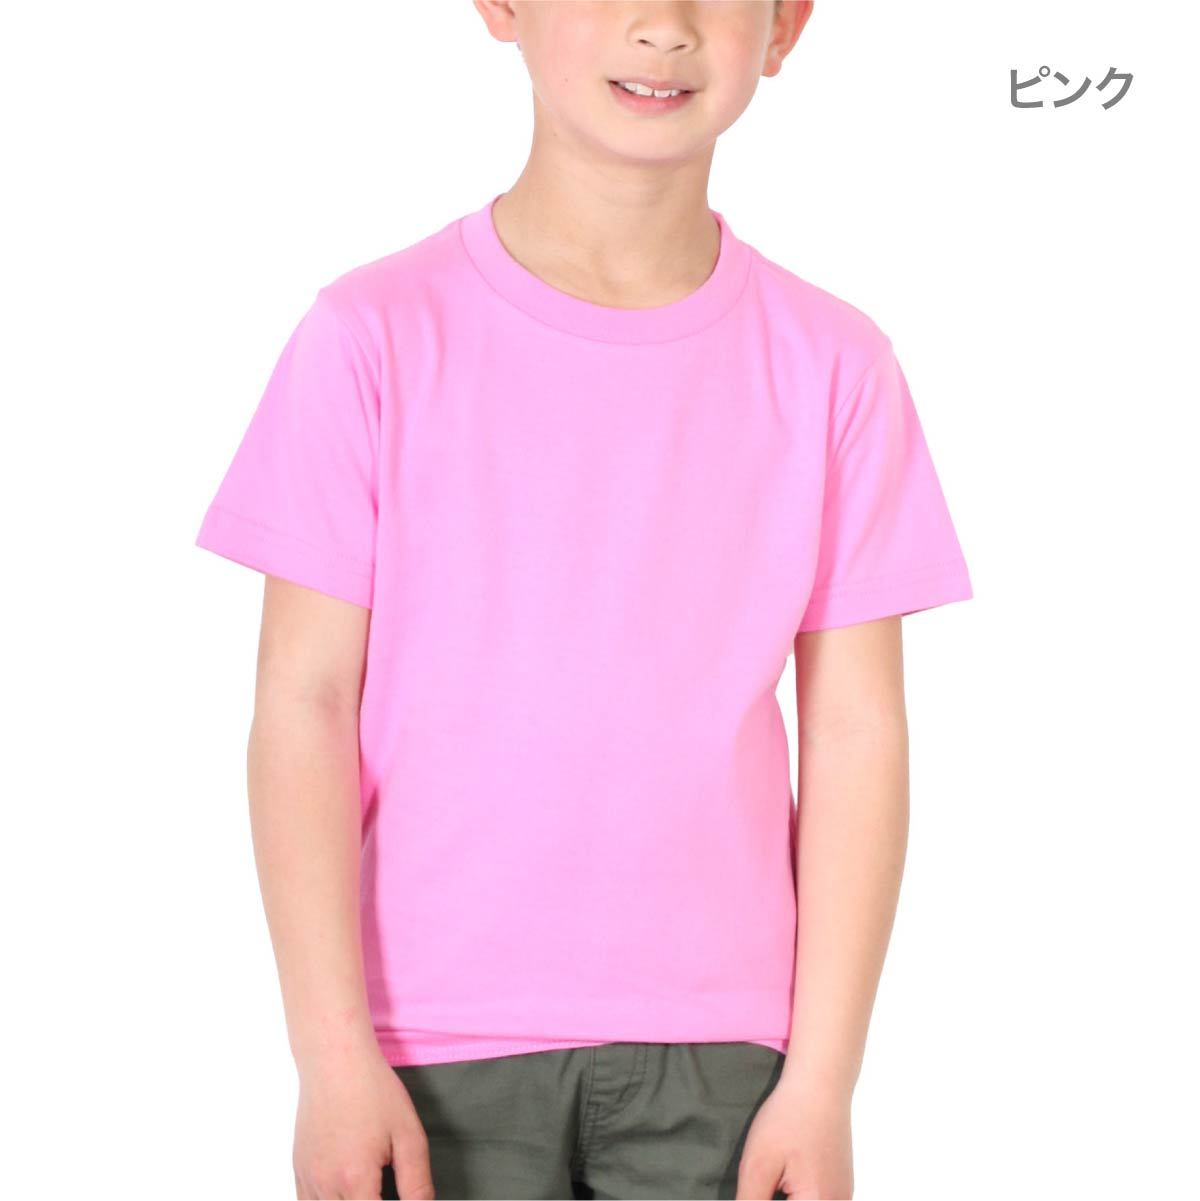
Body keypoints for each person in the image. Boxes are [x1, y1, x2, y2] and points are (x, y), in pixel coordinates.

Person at [193, 2, 973, 1198]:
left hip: (728, 1058)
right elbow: (303, 705)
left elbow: (859, 733)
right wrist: (330, 1057)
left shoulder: (836, 364)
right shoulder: (371, 335)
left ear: (787, 24)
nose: (663, 25)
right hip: (427, 1045)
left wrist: (822, 1083)